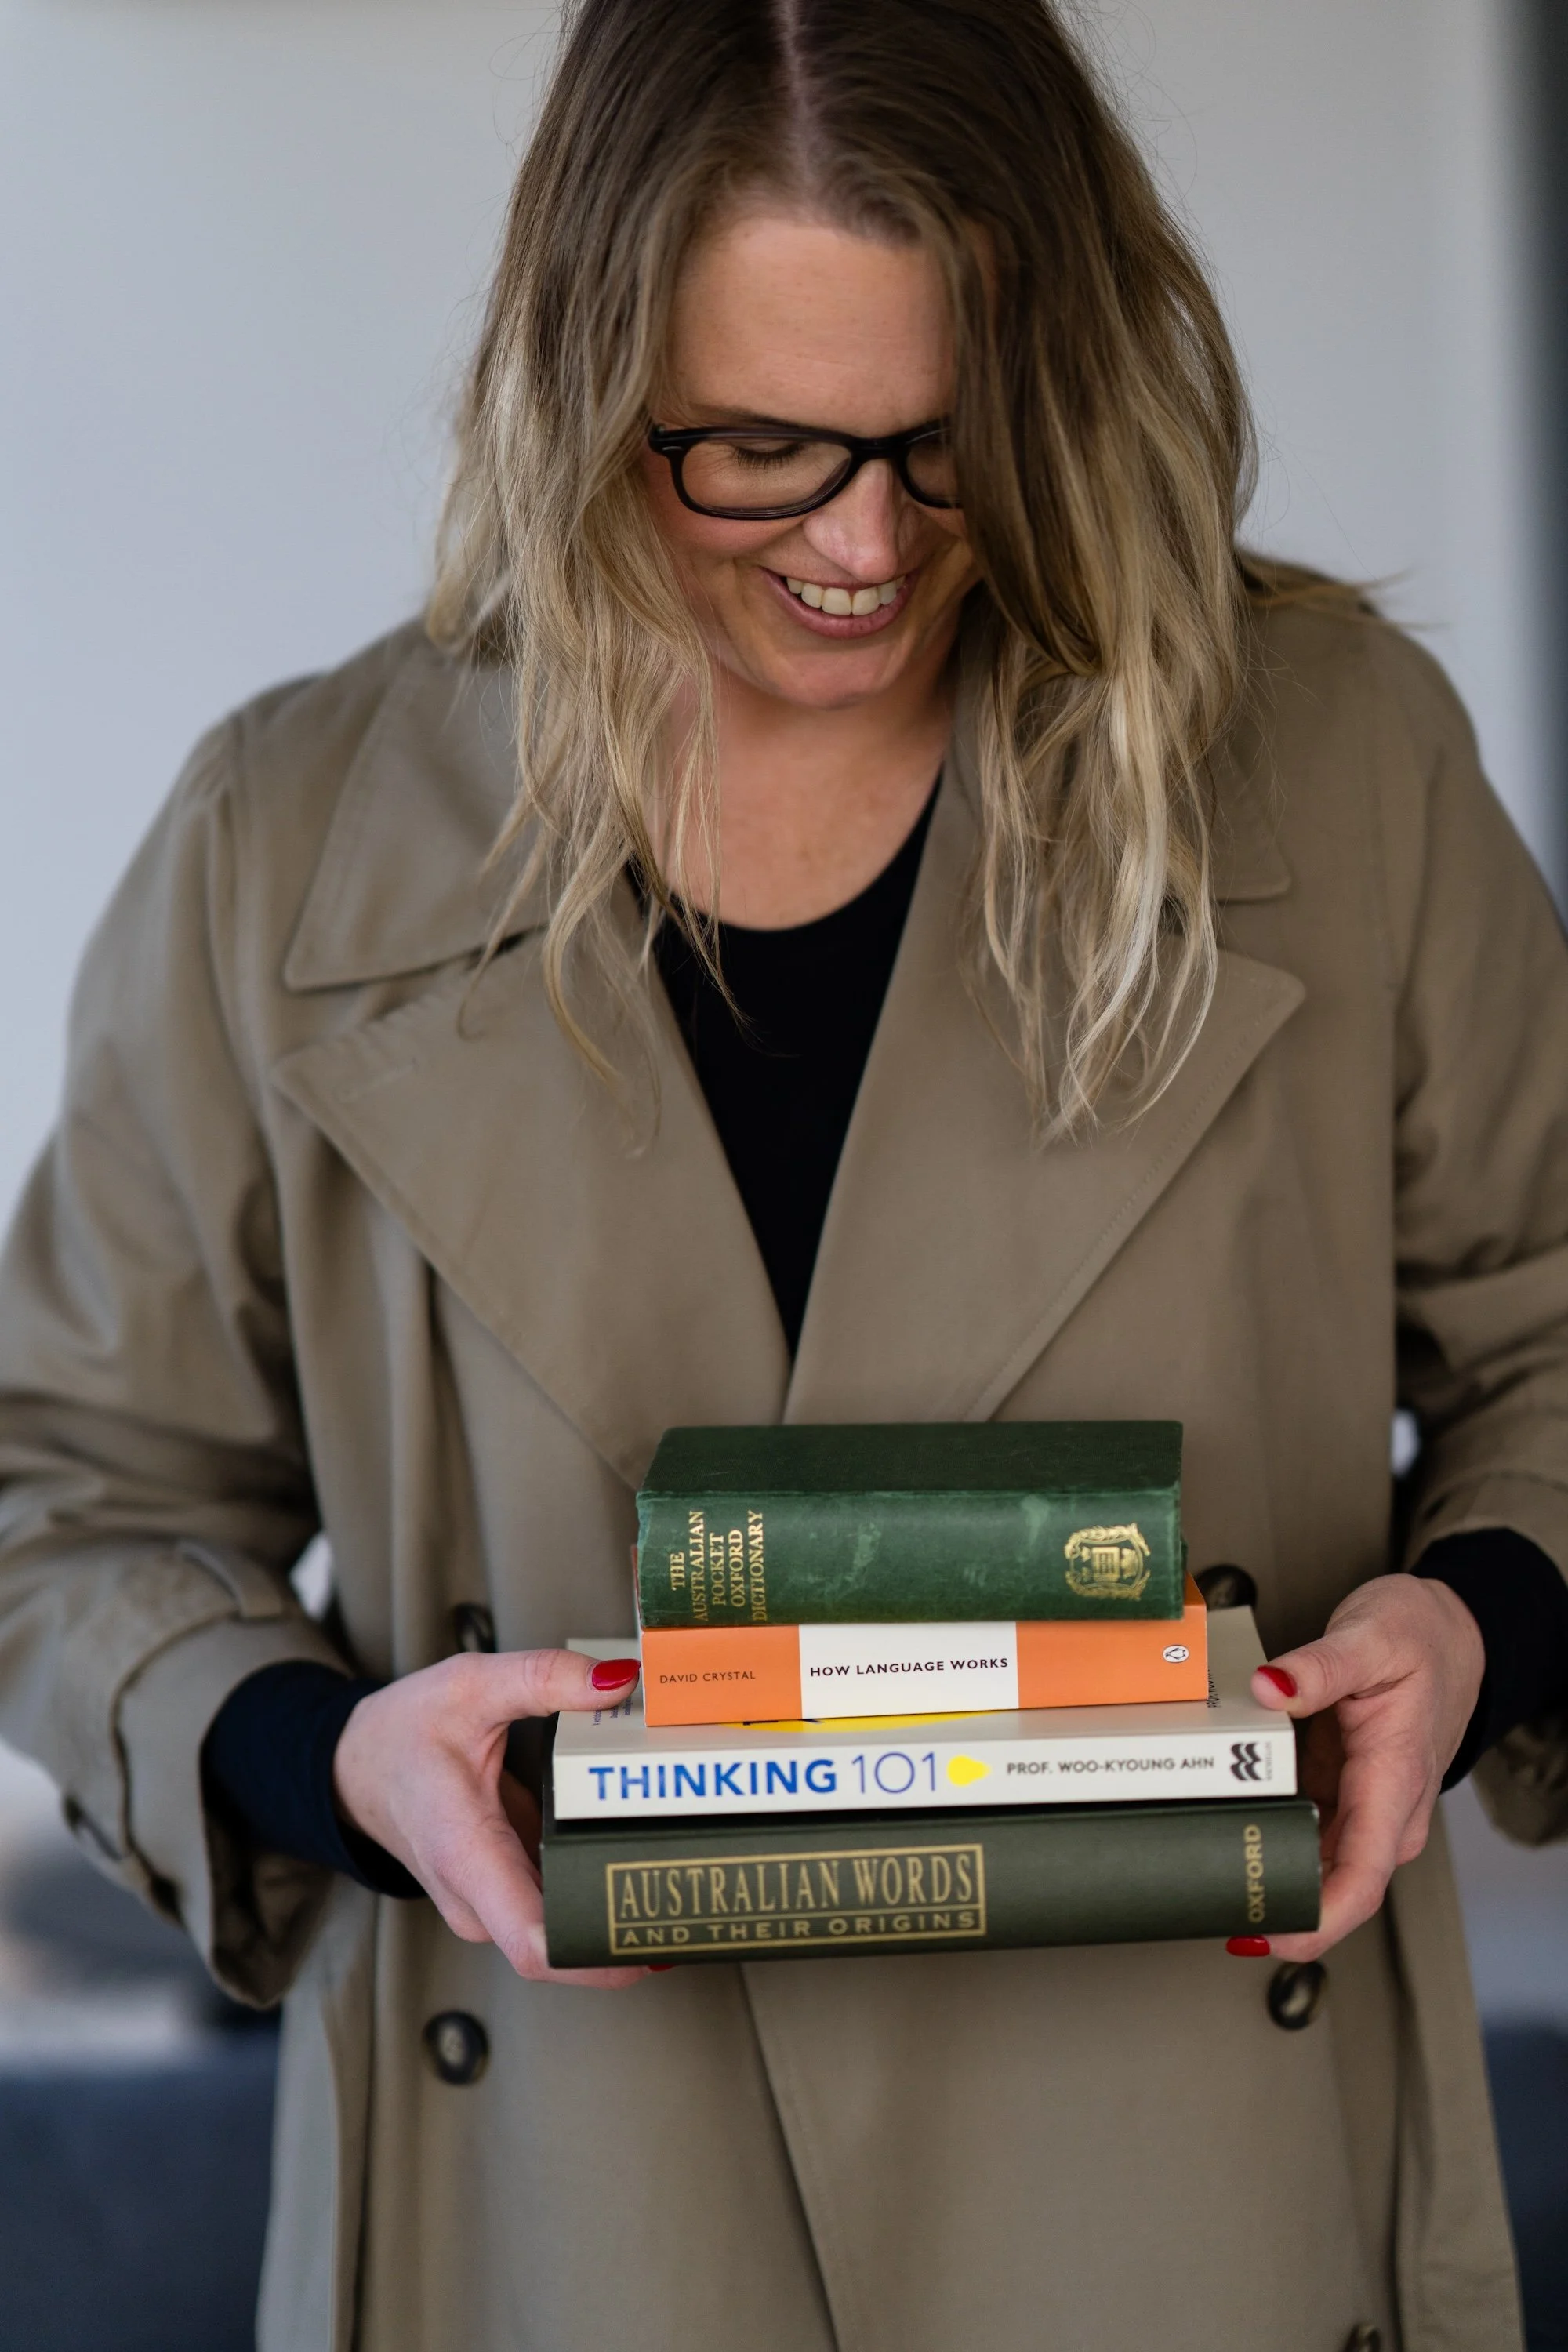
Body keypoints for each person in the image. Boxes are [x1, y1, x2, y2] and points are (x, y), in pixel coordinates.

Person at [2, 1, 1566, 2345]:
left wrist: (1473, 1632)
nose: (861, 544)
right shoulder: (289, 844)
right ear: (576, 379)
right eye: (753, 451)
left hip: (1198, 2202)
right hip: (564, 2204)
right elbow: (72, 1493)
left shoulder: (1336, 766)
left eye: (950, 450)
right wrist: (323, 1761)